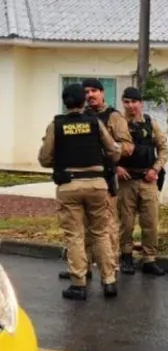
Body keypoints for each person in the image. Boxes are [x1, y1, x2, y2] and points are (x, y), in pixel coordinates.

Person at [38, 83, 121, 300]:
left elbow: (44, 158)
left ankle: (78, 284)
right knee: (101, 233)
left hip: (69, 185)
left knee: (75, 235)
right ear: (83, 101)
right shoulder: (94, 122)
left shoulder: (56, 124)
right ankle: (109, 281)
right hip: (97, 185)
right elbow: (113, 151)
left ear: (65, 102)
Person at [58, 78, 134, 281]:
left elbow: (127, 146)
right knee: (79, 228)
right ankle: (81, 268)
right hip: (77, 179)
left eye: (94, 91)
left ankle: (110, 270)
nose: (90, 95)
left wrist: (104, 151)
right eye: (86, 91)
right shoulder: (77, 117)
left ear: (102, 93)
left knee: (106, 229)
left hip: (103, 179)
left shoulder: (113, 117)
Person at [116, 87, 168, 276]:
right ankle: (126, 257)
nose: (130, 106)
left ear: (141, 103)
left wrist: (155, 169)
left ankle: (149, 260)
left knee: (150, 223)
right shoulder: (117, 123)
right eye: (127, 102)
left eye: (134, 102)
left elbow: (163, 149)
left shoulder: (150, 123)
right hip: (126, 181)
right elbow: (105, 150)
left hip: (148, 180)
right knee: (126, 223)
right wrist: (116, 167)